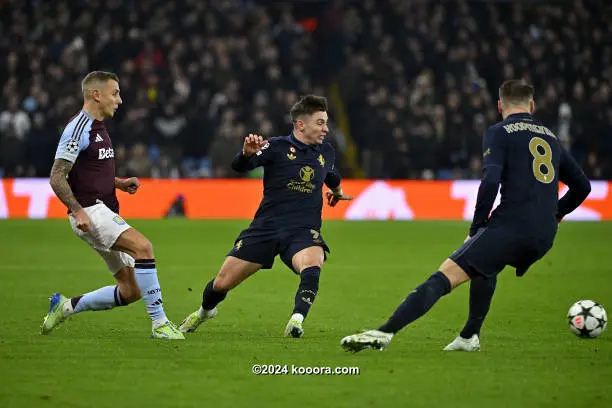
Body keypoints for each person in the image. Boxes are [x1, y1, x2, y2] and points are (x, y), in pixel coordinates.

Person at [340, 80, 591, 352]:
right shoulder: (551, 137)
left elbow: (491, 180)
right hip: (544, 236)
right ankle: (470, 335)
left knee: (444, 276)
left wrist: (477, 226)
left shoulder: (499, 132)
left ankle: (383, 333)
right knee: (486, 262)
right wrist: (558, 213)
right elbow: (583, 186)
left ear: (499, 106)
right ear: (531, 106)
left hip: (511, 227)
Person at [179, 95, 352, 338]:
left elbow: (331, 175)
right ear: (301, 124)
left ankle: (296, 319)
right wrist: (246, 154)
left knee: (313, 263)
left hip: (303, 230)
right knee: (221, 284)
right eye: (320, 123)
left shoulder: (326, 151)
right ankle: (204, 312)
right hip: (266, 227)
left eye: (326, 122)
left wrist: (337, 192)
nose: (326, 129)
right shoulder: (276, 146)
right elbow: (240, 167)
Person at [41, 71, 184, 340]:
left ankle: (66, 306)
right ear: (97, 94)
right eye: (115, 93)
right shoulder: (78, 128)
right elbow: (57, 175)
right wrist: (77, 209)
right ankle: (160, 324)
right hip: (90, 212)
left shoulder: (98, 126)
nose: (119, 100)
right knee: (143, 247)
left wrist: (117, 183)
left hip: (102, 210)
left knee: (131, 290)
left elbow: (88, 170)